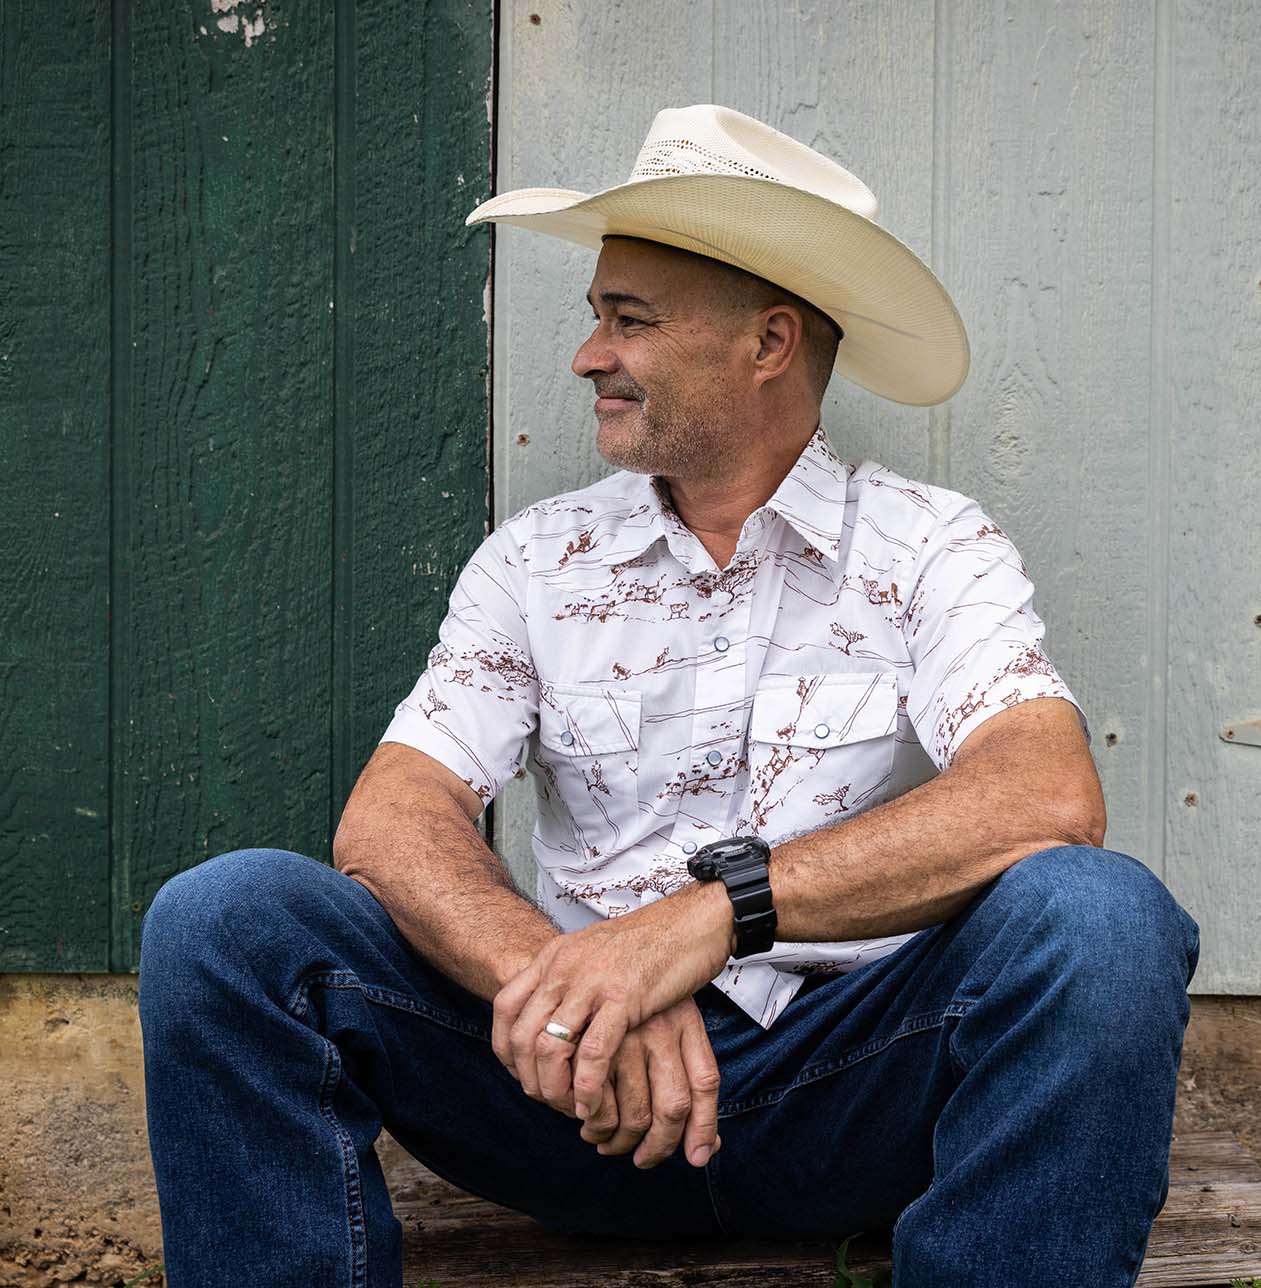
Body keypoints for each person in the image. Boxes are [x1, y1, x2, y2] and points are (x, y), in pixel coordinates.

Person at [138, 104, 1201, 1286]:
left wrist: (697, 923)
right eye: (596, 316)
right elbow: (391, 820)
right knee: (225, 918)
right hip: (569, 1099)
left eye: (627, 320)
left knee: (1099, 919)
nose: (590, 355)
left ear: (768, 341)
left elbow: (1043, 796)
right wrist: (577, 987)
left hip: (852, 1081)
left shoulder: (928, 545)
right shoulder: (535, 559)